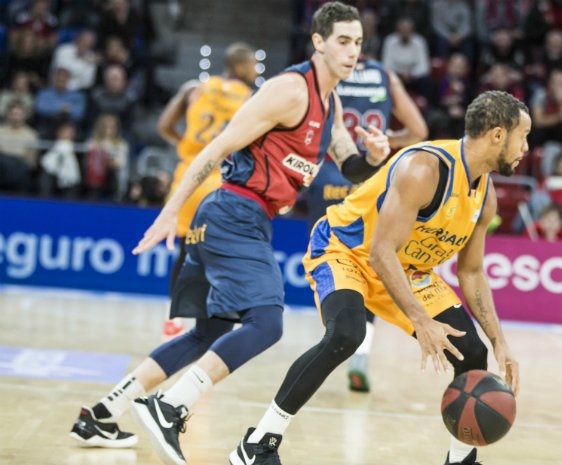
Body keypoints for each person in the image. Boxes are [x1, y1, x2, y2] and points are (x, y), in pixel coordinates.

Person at [68, 4, 391, 465]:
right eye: (343, 40)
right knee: (267, 322)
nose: (352, 51)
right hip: (233, 211)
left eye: (358, 42)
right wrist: (170, 210)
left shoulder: (332, 103)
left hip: (237, 215)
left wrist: (374, 157)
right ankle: (169, 406)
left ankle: (101, 414)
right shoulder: (289, 90)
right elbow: (217, 147)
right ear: (318, 42)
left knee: (209, 332)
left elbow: (350, 165)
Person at [228, 90, 525, 465]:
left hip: (407, 268)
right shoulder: (425, 168)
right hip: (346, 250)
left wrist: (499, 341)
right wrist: (420, 320)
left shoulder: (485, 196)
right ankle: (257, 444)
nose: (526, 148)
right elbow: (381, 253)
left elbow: (471, 271)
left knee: (473, 352)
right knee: (346, 334)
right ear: (497, 135)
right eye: (523, 136)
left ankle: (461, 461)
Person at [307, 53, 428, 392]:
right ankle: (359, 355)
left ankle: (335, 336)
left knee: (330, 261)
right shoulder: (386, 76)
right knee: (371, 265)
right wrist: (387, 141)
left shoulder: (326, 73)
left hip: (329, 174)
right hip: (371, 179)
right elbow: (418, 131)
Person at [156, 42, 257, 338]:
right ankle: (220, 314)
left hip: (188, 178)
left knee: (186, 251)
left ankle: (173, 319)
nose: (255, 70)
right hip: (222, 180)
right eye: (253, 64)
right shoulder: (251, 98)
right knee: (224, 251)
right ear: (241, 66)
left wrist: (186, 146)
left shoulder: (193, 88)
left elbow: (164, 125)